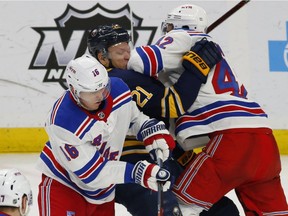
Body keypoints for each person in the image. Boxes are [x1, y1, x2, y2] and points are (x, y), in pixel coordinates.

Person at [128, 4, 288, 216]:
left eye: (169, 26)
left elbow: (137, 61)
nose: (166, 31)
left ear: (178, 24)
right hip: (263, 139)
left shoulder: (183, 36)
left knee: (181, 207)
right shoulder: (213, 50)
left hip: (231, 141)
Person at [87, 24, 239, 215]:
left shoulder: (128, 76)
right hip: (132, 164)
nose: (128, 56)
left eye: (128, 50)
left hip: (158, 159)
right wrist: (196, 67)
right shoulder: (119, 78)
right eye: (120, 52)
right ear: (102, 57)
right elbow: (173, 105)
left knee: (221, 210)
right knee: (167, 211)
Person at [36, 54, 175, 216]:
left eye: (103, 87)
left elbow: (133, 118)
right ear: (74, 91)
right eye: (91, 92)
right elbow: (92, 173)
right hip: (64, 186)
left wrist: (149, 129)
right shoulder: (63, 122)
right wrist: (137, 172)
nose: (100, 95)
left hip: (104, 192)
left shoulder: (118, 89)